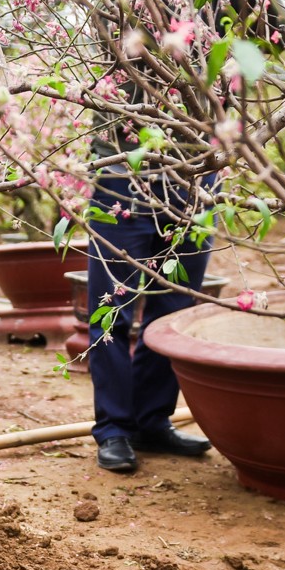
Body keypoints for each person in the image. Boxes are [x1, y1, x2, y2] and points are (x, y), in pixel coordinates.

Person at [81, 171, 215, 473]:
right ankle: (113, 428)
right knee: (110, 311)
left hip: (196, 180)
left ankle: (151, 421)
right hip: (123, 176)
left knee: (174, 313)